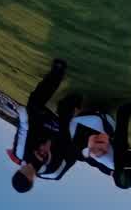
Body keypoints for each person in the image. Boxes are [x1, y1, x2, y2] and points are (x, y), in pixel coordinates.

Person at [9, 59, 80, 190]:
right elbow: (73, 155)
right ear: (32, 181)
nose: (26, 169)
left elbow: (24, 126)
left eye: (21, 171)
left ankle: (57, 73)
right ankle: (72, 109)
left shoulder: (20, 152)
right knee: (73, 101)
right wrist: (70, 124)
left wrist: (21, 112)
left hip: (45, 127)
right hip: (64, 136)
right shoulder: (54, 172)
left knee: (33, 104)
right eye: (26, 175)